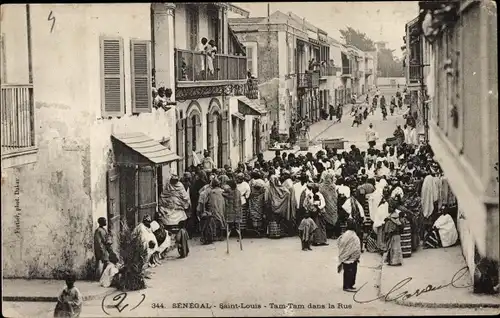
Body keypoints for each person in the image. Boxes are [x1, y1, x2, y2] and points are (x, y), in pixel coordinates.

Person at [337, 219, 361, 292]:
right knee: (349, 272)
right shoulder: (351, 234)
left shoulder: (346, 234)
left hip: (350, 257)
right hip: (350, 257)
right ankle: (347, 286)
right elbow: (354, 246)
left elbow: (339, 243)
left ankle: (350, 285)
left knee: (351, 271)